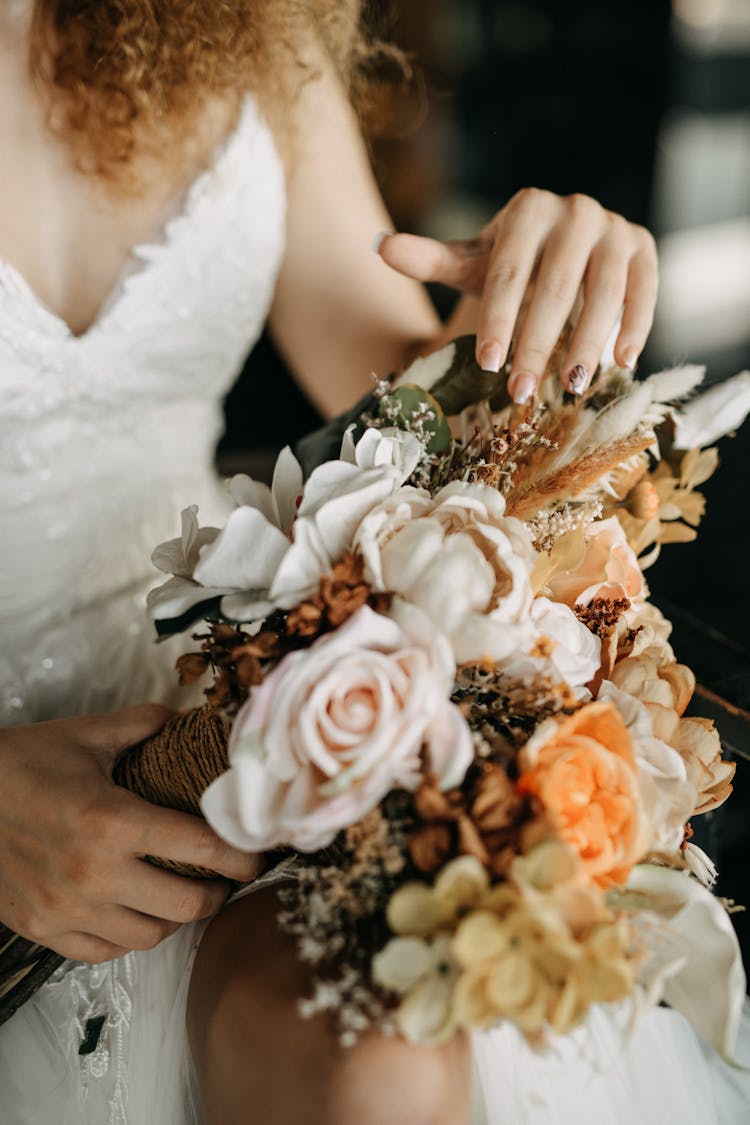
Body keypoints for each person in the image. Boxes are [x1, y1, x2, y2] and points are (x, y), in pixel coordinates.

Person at [1, 3, 743, 1124]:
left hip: (224, 697)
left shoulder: (229, 17)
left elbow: (401, 382)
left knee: (372, 1049)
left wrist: (538, 305)